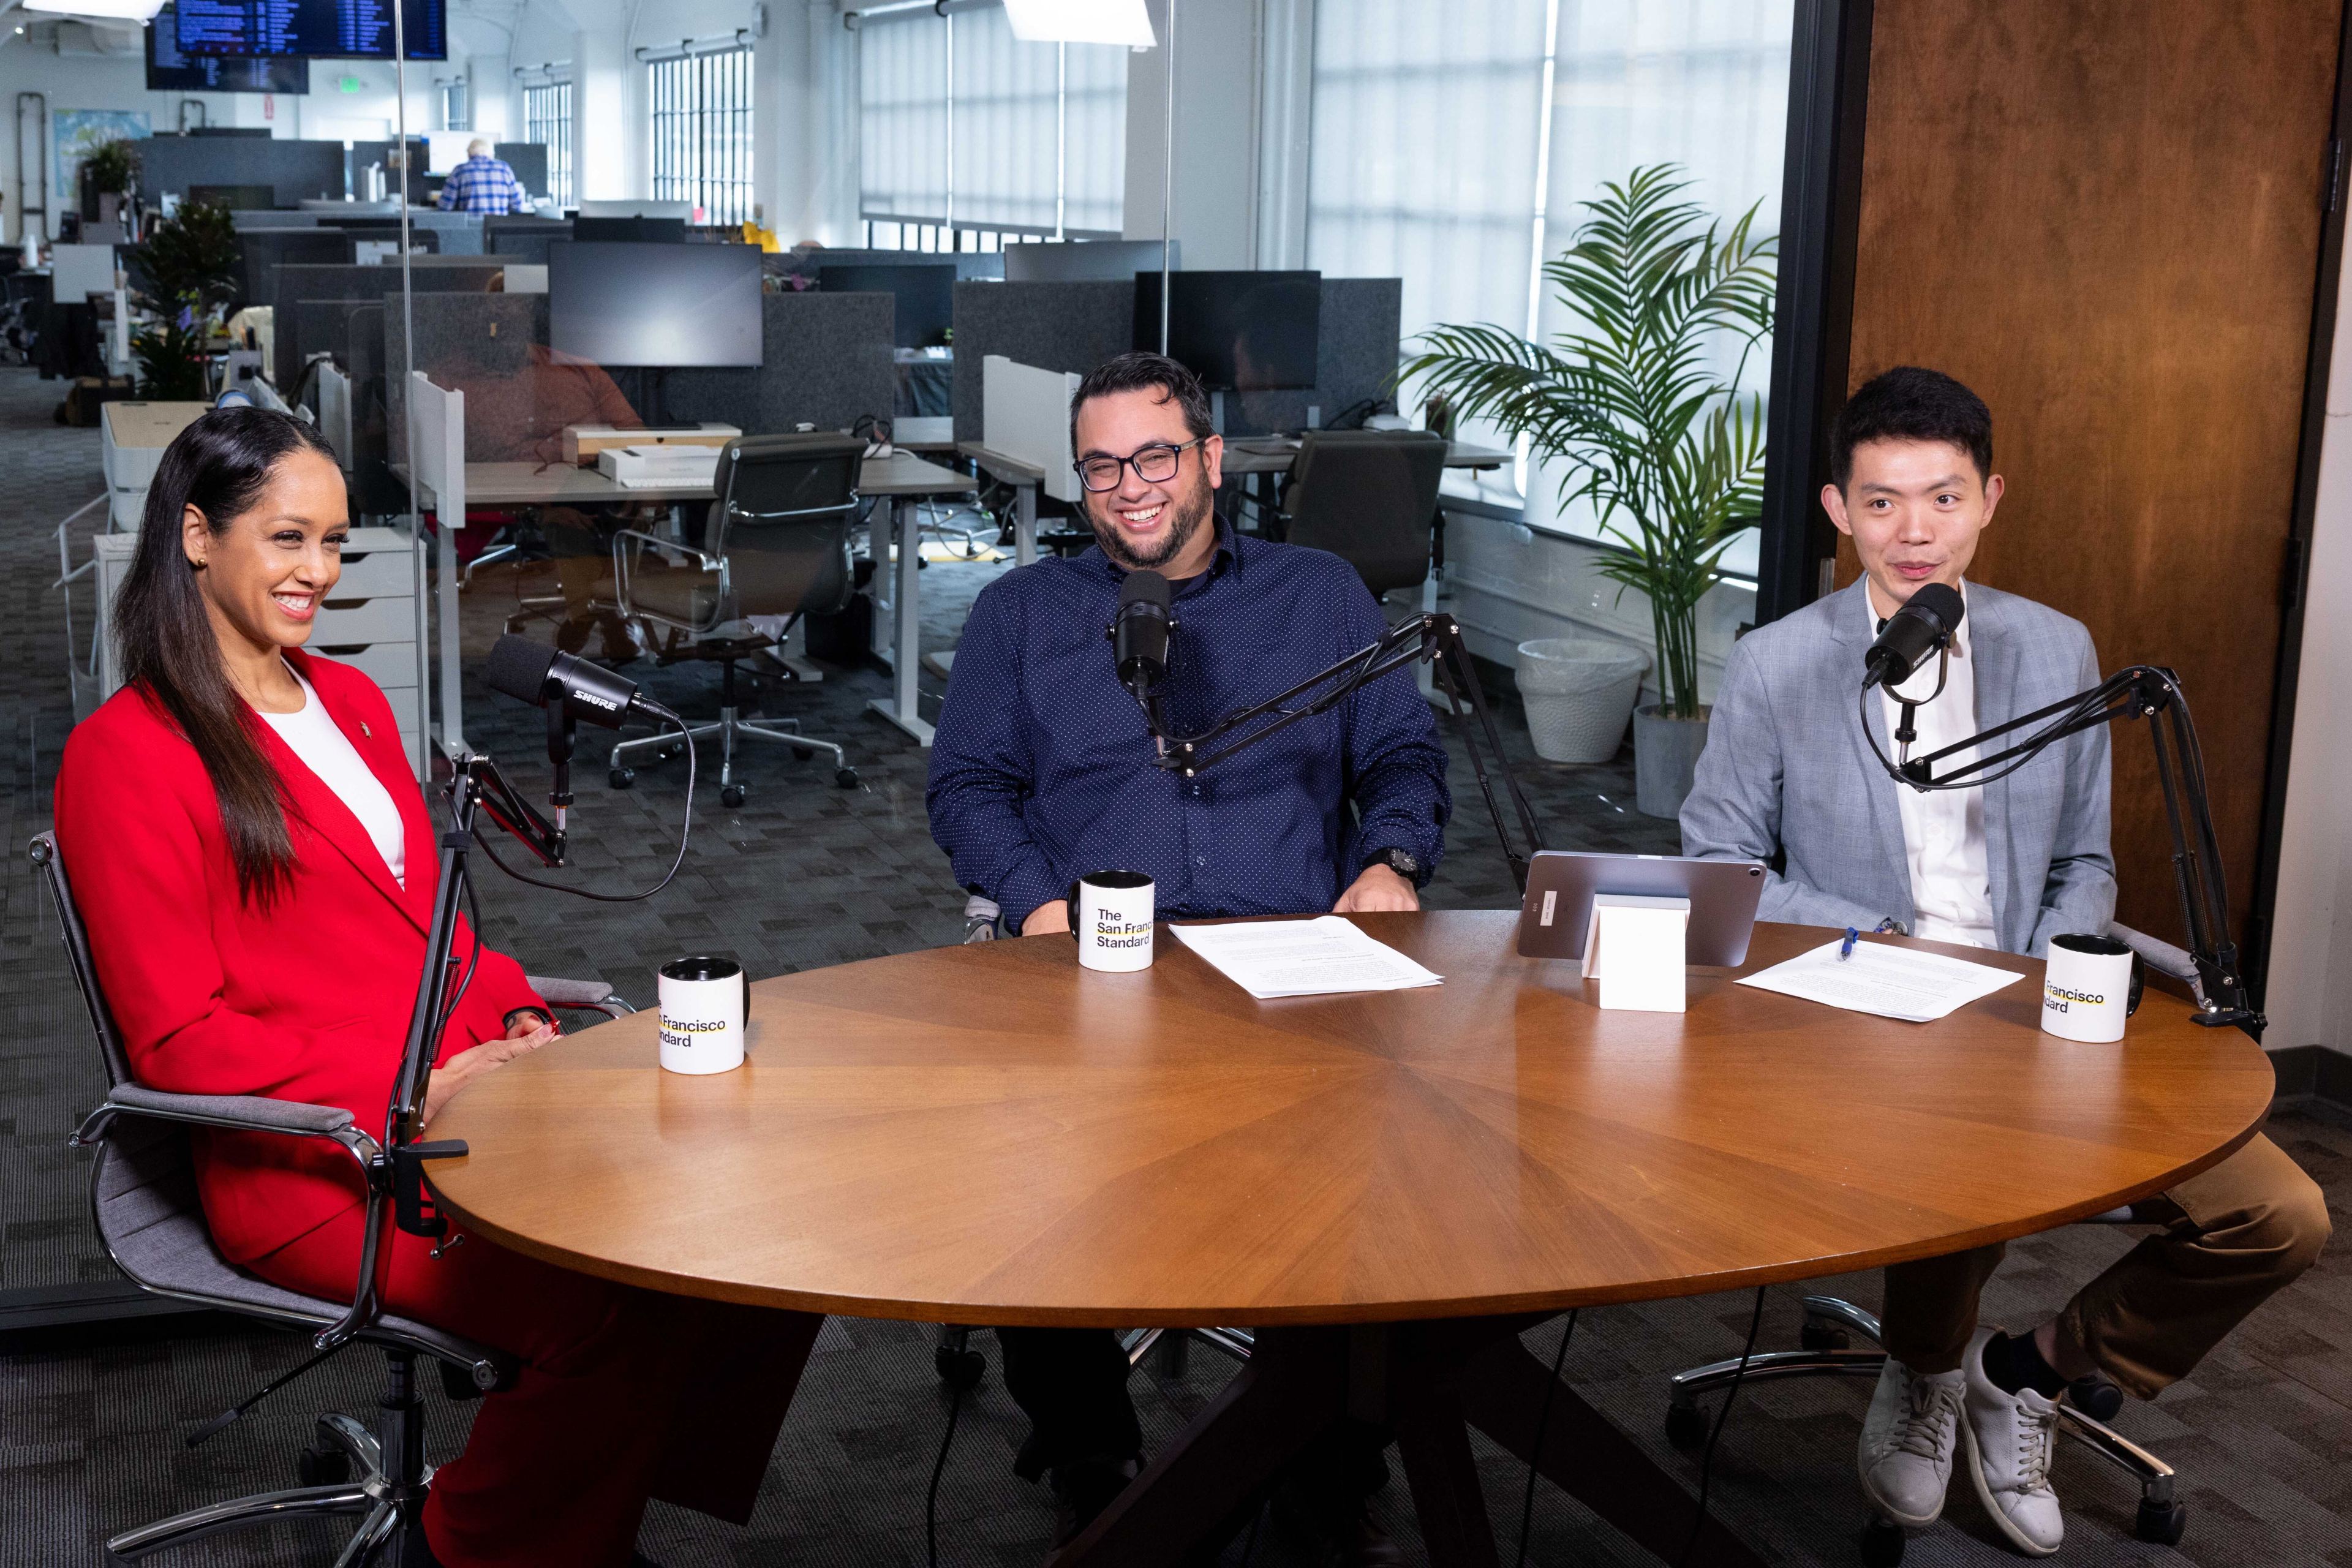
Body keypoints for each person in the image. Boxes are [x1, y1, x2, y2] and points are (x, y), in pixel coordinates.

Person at [53, 407, 818, 1568]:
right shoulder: (128, 756)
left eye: (335, 544)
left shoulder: (350, 705)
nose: (318, 571)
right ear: (198, 538)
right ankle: (467, 1545)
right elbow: (178, 1042)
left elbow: (434, 929)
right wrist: (417, 1089)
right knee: (613, 1296)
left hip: (474, 1101)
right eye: (288, 539)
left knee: (742, 1222)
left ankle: (572, 1514)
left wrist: (510, 1010)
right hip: (319, 1161)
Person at [1680, 366, 2329, 1556]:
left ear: (1990, 500)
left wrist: (2039, 977)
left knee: (2279, 1214)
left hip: (2042, 994)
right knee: (1957, 1171)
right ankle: (1921, 1373)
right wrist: (1897, 946)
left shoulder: (2056, 645)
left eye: (1942, 497)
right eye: (1882, 502)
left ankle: (2021, 1372)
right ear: (1836, 507)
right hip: (1869, 1005)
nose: (1913, 531)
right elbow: (1723, 859)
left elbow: (2084, 858)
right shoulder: (1781, 660)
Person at [926, 351, 1451, 1561]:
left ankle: (1329, 1454)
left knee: (1374, 1183)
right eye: (1102, 465)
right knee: (1031, 1179)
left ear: (1212, 460)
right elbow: (966, 783)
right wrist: (1031, 899)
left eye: (1155, 455)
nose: (1130, 487)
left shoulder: (1318, 595)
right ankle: (1093, 1456)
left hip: (1292, 959)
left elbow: (1403, 756)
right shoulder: (1023, 615)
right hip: (1093, 957)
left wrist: (1393, 862)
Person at [436, 138, 529, 214]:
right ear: (491, 154)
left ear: (469, 154)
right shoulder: (504, 169)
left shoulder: (459, 171)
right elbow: (517, 205)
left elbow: (444, 206)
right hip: (497, 230)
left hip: (469, 231)